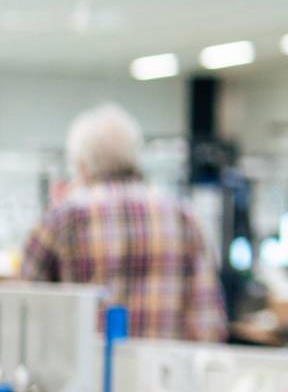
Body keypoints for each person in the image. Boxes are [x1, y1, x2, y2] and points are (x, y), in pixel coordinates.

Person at [20, 103, 226, 343]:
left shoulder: (63, 217)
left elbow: (26, 312)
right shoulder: (184, 216)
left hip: (87, 376)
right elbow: (208, 322)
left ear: (82, 163)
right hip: (162, 376)